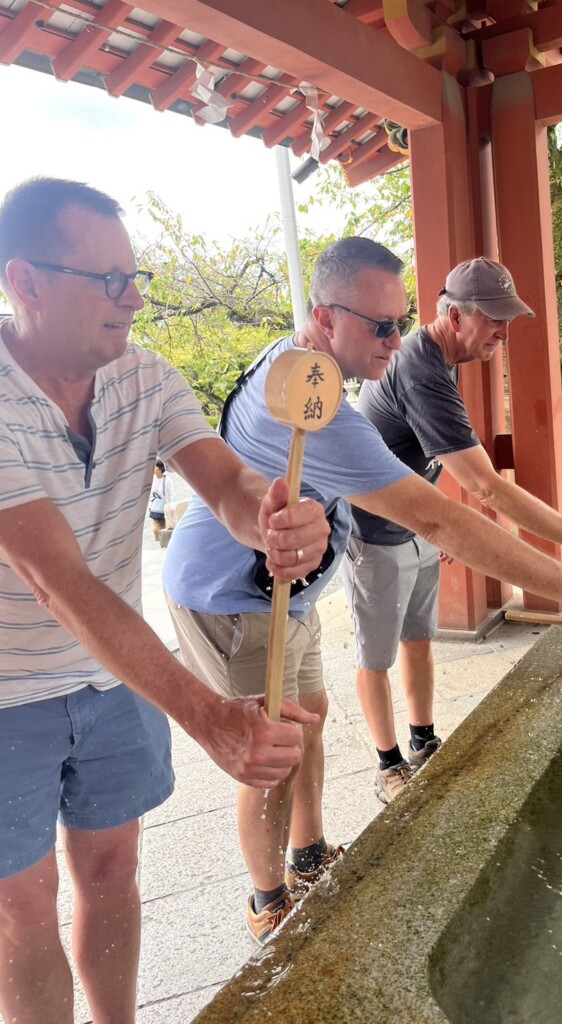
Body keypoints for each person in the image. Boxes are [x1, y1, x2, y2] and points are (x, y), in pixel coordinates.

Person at [163, 237, 562, 946]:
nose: (396, 340)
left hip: (288, 592)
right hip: (234, 595)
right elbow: (442, 514)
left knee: (307, 721)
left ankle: (307, 860)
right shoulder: (318, 407)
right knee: (270, 756)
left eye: (401, 322)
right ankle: (268, 903)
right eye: (380, 326)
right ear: (323, 317)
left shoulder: (309, 367)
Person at [0, 177, 331, 1024]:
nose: (132, 298)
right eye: (106, 279)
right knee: (20, 906)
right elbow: (55, 578)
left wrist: (274, 519)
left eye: (135, 276)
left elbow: (223, 480)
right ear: (24, 281)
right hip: (7, 692)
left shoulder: (144, 375)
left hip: (116, 678)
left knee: (113, 873)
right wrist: (206, 711)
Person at [341, 256, 562, 804]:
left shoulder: (444, 358)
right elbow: (487, 486)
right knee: (376, 655)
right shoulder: (418, 366)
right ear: (454, 316)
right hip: (373, 531)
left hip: (418, 524)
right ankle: (388, 767)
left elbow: (438, 461)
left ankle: (423, 741)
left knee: (418, 640)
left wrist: (444, 532)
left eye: (507, 318)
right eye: (493, 319)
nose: (503, 332)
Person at [148, 458, 173, 542]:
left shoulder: (167, 480)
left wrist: (170, 506)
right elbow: (151, 494)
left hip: (165, 507)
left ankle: (165, 545)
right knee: (155, 529)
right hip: (155, 507)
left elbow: (171, 495)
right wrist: (150, 506)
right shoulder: (153, 480)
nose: (153, 469)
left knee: (166, 528)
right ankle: (159, 544)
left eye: (155, 467)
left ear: (160, 468)